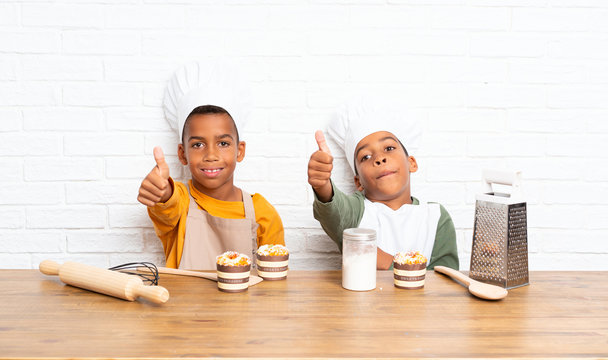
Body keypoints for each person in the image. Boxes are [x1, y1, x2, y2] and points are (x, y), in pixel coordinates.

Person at [137, 62, 284, 270]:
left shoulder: (262, 213)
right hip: (184, 303)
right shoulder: (181, 202)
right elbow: (167, 201)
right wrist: (160, 190)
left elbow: (275, 281)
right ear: (182, 154)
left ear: (239, 150)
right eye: (198, 144)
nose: (211, 155)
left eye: (223, 143)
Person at [307, 98, 458, 270]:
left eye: (389, 148)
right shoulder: (356, 210)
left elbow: (446, 280)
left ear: (411, 163)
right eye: (366, 157)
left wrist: (385, 262)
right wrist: (322, 185)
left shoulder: (435, 216)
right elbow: (335, 210)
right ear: (358, 182)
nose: (379, 158)